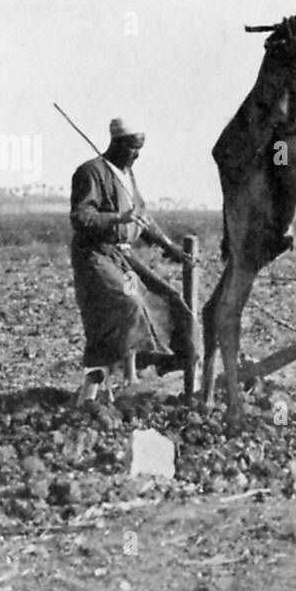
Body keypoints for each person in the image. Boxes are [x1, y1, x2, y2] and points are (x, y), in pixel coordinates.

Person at [69, 117, 196, 404]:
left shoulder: (128, 175)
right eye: (131, 148)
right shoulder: (91, 172)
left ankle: (139, 372)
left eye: (140, 149)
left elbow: (143, 218)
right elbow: (81, 216)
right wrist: (116, 218)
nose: (136, 155)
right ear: (116, 143)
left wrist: (169, 246)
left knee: (164, 300)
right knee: (128, 303)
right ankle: (121, 378)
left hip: (123, 256)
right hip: (96, 255)